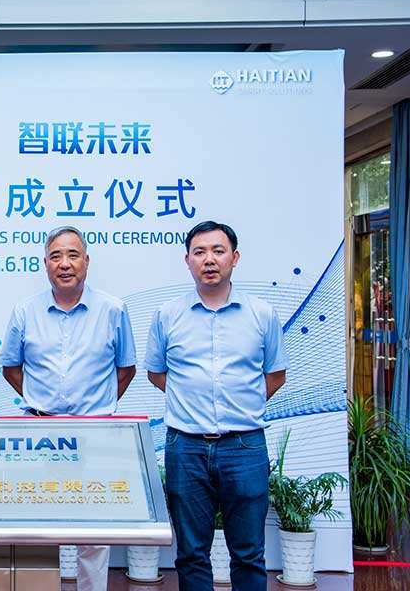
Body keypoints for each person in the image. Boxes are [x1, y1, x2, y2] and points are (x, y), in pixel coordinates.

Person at [145, 220, 288, 591]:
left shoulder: (262, 314)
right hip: (186, 447)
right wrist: (192, 401)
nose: (209, 259)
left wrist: (240, 405)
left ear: (234, 258)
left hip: (244, 447)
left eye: (218, 251)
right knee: (191, 553)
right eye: (199, 252)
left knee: (249, 553)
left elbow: (275, 375)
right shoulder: (167, 315)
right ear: (188, 260)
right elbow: (157, 373)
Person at [0, 225, 136, 591]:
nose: (64, 264)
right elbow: (11, 368)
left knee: (93, 530)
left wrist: (97, 405)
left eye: (73, 255)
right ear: (45, 263)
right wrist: (40, 404)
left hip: (96, 433)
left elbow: (126, 370)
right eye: (56, 256)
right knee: (37, 524)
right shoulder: (25, 311)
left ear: (87, 261)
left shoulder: (113, 310)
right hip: (39, 433)